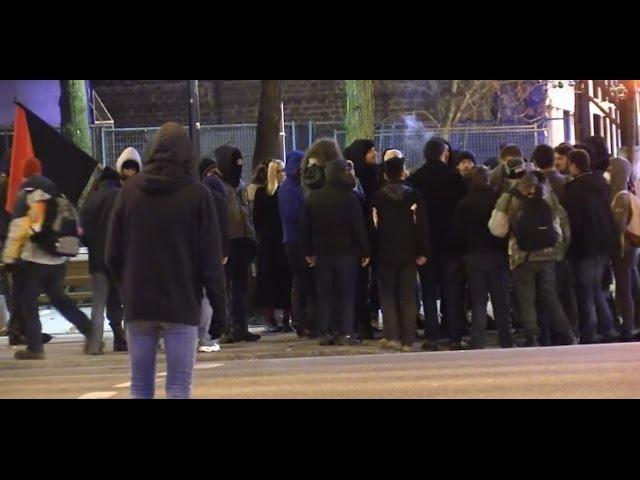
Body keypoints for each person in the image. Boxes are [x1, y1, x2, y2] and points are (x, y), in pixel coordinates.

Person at [106, 122, 228, 399]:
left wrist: (128, 287)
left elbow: (112, 253)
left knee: (140, 386)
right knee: (177, 387)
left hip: (140, 303)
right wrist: (220, 310)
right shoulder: (197, 195)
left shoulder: (129, 192)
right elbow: (210, 261)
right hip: (181, 303)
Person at [4, 162, 93, 359]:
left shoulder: (27, 194)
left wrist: (10, 258)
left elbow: (18, 229)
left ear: (24, 174)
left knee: (28, 302)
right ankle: (91, 332)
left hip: (34, 260)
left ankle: (35, 348)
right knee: (61, 301)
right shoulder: (55, 192)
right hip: (57, 259)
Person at [488, 172, 577, 347]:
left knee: (526, 298)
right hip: (547, 254)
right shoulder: (548, 196)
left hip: (522, 256)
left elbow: (497, 229)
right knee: (550, 296)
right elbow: (558, 229)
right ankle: (568, 335)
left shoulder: (510, 198)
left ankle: (532, 338)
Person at [406, 138, 468, 351]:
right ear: (444, 154)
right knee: (452, 291)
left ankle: (432, 336)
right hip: (450, 244)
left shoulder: (415, 179)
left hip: (426, 245)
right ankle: (454, 336)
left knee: (429, 292)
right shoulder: (455, 179)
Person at [302, 159, 370, 346]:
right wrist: (365, 251)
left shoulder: (313, 198)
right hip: (347, 253)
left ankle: (324, 332)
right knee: (346, 293)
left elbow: (306, 228)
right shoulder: (350, 198)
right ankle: (345, 332)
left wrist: (308, 251)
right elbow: (358, 227)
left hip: (322, 253)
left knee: (324, 293)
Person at [371, 151, 430, 352]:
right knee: (409, 295)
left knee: (387, 295)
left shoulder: (377, 197)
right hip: (409, 250)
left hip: (385, 251)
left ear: (386, 174)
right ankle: (408, 340)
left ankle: (392, 335)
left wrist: (371, 250)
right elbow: (421, 224)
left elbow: (373, 227)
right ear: (403, 172)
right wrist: (423, 250)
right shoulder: (414, 195)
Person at [451, 166, 513, 349]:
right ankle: (506, 339)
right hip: (497, 254)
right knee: (501, 300)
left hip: (474, 255)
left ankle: (478, 340)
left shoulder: (464, 203)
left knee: (478, 300)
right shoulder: (497, 200)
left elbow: (457, 233)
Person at [561, 149, 619, 344]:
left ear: (574, 165)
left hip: (584, 246)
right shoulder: (602, 184)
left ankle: (591, 332)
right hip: (603, 244)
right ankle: (608, 327)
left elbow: (573, 223)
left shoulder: (573, 190)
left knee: (585, 291)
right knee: (595, 288)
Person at [214, 145, 260, 343]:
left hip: (242, 241)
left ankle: (241, 326)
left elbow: (245, 213)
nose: (238, 167)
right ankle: (228, 327)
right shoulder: (218, 186)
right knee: (227, 287)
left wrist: (251, 237)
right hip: (227, 242)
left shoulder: (240, 184)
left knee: (241, 288)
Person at [80, 166, 126, 354]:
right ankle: (121, 339)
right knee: (119, 300)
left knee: (99, 303)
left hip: (97, 259)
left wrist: (92, 244)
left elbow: (80, 230)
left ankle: (94, 344)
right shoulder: (120, 196)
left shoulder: (91, 200)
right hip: (118, 258)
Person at [344, 139, 380, 340]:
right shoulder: (357, 181)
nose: (375, 153)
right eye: (370, 151)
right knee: (359, 284)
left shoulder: (371, 174)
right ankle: (361, 324)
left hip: (366, 238)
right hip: (359, 241)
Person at [279, 150, 316, 337]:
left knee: (303, 282)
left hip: (296, 238)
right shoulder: (289, 188)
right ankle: (303, 320)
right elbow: (293, 214)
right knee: (303, 281)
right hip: (295, 240)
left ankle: (304, 320)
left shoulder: (295, 186)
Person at [253, 159, 292, 333]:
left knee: (285, 282)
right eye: (280, 171)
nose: (283, 174)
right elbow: (258, 219)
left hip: (280, 242)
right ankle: (271, 318)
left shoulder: (285, 192)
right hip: (270, 244)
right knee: (270, 282)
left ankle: (286, 318)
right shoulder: (264, 193)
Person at [198, 157, 229, 352]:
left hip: (198, 251)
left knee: (201, 296)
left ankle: (201, 336)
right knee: (211, 294)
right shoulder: (221, 197)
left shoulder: (197, 196)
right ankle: (208, 337)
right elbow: (225, 227)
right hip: (214, 251)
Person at [609, 155, 639, 342]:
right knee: (632, 285)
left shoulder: (619, 196)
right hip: (633, 249)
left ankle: (627, 327)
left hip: (623, 249)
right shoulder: (630, 194)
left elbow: (618, 226)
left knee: (624, 288)